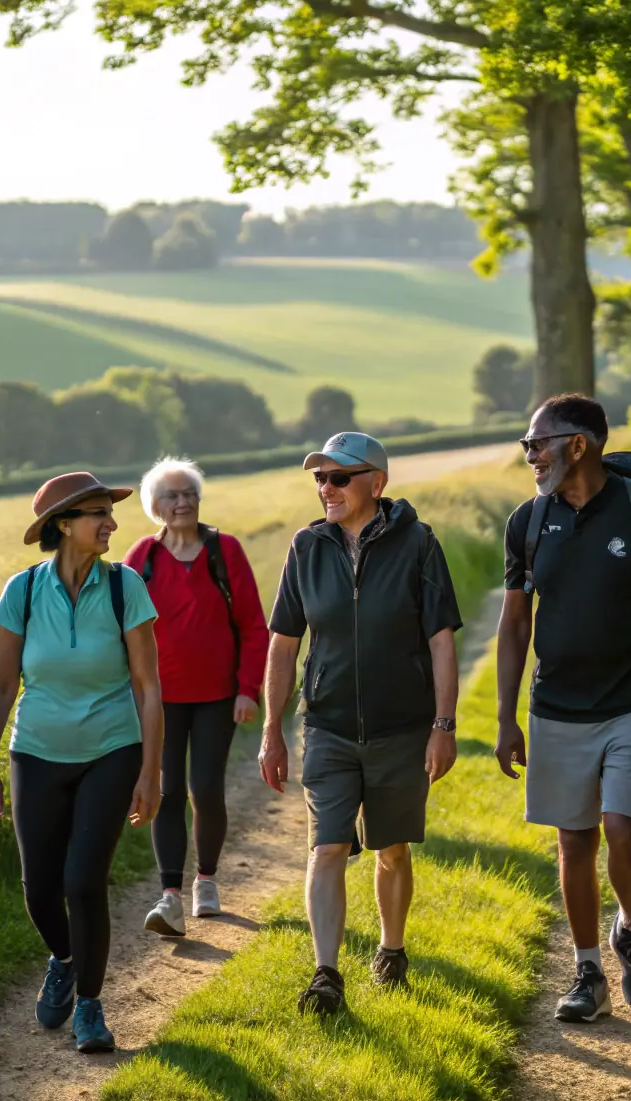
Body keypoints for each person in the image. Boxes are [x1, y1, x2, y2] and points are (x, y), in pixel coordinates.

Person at [495, 395, 631, 1024]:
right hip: (556, 705)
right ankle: (588, 971)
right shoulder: (527, 522)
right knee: (573, 840)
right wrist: (506, 717)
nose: (529, 455)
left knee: (622, 828)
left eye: (537, 443)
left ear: (578, 445)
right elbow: (513, 625)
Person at [259, 432, 462, 1016]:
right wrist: (273, 728)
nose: (326, 489)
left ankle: (391, 949)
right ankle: (326, 974)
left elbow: (441, 640)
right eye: (319, 478)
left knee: (392, 850)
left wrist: (443, 724)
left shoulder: (419, 544)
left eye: (339, 478)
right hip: (327, 726)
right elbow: (283, 645)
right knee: (327, 847)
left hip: (402, 727)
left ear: (376, 482)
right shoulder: (306, 547)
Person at [0, 471, 163, 1053]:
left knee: (83, 882)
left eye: (110, 512)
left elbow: (148, 686)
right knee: (39, 889)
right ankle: (63, 956)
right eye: (97, 514)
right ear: (63, 524)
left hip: (111, 748)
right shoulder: (23, 591)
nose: (110, 523)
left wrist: (150, 772)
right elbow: (2, 685)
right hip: (36, 750)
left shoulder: (123, 586)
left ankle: (90, 1006)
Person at [124, 458, 268, 937]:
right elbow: (118, 630)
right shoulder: (141, 558)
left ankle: (205, 880)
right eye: (173, 495)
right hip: (157, 701)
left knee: (204, 789)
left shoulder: (224, 551)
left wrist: (248, 689)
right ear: (156, 507)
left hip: (217, 697)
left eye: (190, 493)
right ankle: (170, 897)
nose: (183, 501)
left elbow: (253, 626)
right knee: (166, 793)